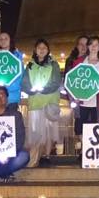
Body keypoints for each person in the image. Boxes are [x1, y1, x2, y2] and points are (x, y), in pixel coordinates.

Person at [22, 39, 62, 167]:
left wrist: (43, 89)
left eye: (44, 47)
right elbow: (25, 82)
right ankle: (34, 158)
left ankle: (46, 155)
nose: (42, 50)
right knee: (35, 131)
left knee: (49, 129)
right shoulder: (30, 65)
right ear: (35, 50)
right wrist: (31, 91)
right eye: (39, 47)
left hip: (50, 101)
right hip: (35, 101)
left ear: (48, 50)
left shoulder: (54, 64)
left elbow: (56, 81)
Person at [68, 35, 99, 138]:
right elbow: (72, 81)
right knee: (80, 131)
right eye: (91, 44)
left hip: (97, 104)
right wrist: (73, 97)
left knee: (96, 132)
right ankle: (81, 152)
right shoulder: (78, 62)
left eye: (96, 45)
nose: (93, 47)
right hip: (81, 103)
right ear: (88, 46)